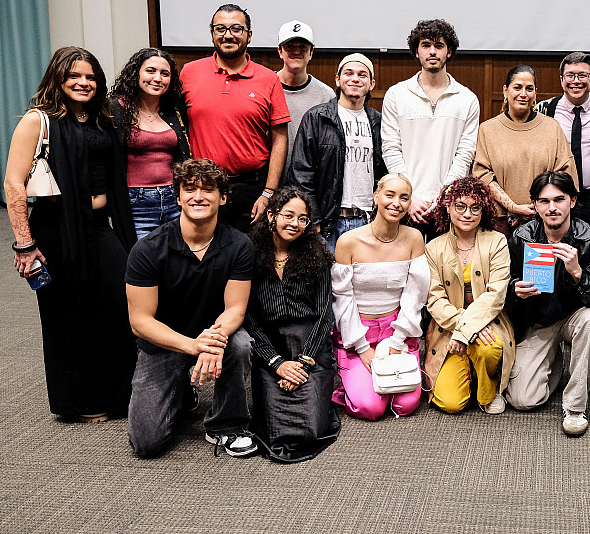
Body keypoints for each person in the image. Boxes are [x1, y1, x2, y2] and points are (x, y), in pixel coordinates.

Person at [4, 46, 137, 422]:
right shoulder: (38, 120)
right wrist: (25, 245)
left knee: (117, 304)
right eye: (74, 76)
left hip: (98, 228)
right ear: (57, 79)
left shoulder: (102, 118)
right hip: (55, 228)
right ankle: (77, 403)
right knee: (66, 314)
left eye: (90, 77)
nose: (83, 83)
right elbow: (14, 185)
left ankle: (117, 396)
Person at [126, 159, 256, 458]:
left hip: (215, 336)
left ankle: (227, 424)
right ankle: (183, 394)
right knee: (147, 443)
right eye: (190, 188)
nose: (199, 196)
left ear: (223, 197)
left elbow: (235, 308)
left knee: (240, 345)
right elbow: (140, 322)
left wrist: (210, 342)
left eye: (208, 189)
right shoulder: (148, 249)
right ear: (178, 197)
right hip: (164, 343)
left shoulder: (239, 245)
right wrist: (193, 346)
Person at [505, 171, 590, 436]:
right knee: (523, 400)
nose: (552, 208)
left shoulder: (589, 239)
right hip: (537, 320)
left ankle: (575, 407)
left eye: (559, 199)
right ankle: (555, 362)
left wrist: (578, 273)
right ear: (535, 205)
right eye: (544, 201)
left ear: (572, 201)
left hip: (576, 317)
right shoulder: (522, 237)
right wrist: (514, 290)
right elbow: (503, 285)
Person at [244, 186, 340, 462]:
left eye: (302, 218)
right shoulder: (249, 254)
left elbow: (324, 313)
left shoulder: (317, 255)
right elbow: (247, 316)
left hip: (310, 344)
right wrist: (276, 363)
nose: (295, 223)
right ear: (272, 215)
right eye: (288, 215)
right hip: (268, 344)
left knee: (310, 428)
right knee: (273, 429)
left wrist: (304, 362)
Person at [180, 3, 290, 233]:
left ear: (249, 36)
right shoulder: (189, 73)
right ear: (212, 34)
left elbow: (280, 138)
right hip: (201, 185)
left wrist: (268, 192)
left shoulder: (268, 79)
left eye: (236, 29)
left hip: (250, 187)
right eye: (220, 29)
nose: (228, 35)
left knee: (247, 259)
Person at [331, 173, 429, 419]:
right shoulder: (348, 242)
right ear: (376, 197)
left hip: (397, 328)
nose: (396, 203)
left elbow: (415, 295)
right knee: (371, 408)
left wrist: (397, 341)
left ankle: (375, 380)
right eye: (390, 195)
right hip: (358, 331)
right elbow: (342, 298)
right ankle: (349, 383)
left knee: (405, 405)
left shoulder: (414, 238)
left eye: (404, 198)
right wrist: (362, 347)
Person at [381, 19, 480, 237]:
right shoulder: (396, 95)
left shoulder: (467, 99)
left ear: (449, 51)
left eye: (439, 45)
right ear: (416, 52)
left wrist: (444, 194)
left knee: (443, 271)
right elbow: (390, 148)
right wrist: (409, 195)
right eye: (426, 45)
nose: (432, 51)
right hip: (405, 204)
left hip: (448, 205)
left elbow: (465, 154)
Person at [423, 176, 514, 414]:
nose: (467, 214)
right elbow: (434, 299)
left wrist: (467, 331)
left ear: (484, 210)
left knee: (489, 349)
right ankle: (467, 367)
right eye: (460, 206)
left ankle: (487, 389)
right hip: (448, 328)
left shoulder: (497, 241)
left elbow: (495, 294)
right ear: (448, 207)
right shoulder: (433, 247)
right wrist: (463, 329)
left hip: (488, 322)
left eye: (475, 208)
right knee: (449, 403)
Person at [285, 53, 387, 253]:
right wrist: (313, 218)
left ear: (372, 83)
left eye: (362, 75)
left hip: (370, 222)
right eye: (348, 73)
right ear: (338, 80)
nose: (355, 79)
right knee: (325, 283)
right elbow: (301, 173)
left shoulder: (380, 122)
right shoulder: (317, 118)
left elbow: (385, 172)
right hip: (330, 223)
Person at [473, 64, 577, 235]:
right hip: (500, 222)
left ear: (535, 93)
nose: (523, 94)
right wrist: (512, 207)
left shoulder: (552, 128)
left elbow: (565, 175)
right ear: (505, 91)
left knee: (540, 263)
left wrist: (537, 208)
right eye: (517, 87)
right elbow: (482, 175)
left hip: (544, 221)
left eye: (529, 88)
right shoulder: (488, 129)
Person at [109, 48, 192, 239]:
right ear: (136, 73)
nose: (157, 78)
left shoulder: (173, 111)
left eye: (165, 74)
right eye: (150, 71)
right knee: (143, 261)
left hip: (173, 199)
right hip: (136, 201)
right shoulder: (116, 109)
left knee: (176, 258)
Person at [536, 52, 590, 231]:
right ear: (561, 79)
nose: (576, 81)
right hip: (555, 199)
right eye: (570, 75)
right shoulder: (544, 110)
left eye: (582, 75)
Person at [275, 20, 336, 151]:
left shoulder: (326, 95)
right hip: (267, 170)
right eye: (290, 46)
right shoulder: (264, 87)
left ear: (311, 52)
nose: (296, 51)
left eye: (303, 47)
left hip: (310, 171)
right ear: (280, 51)